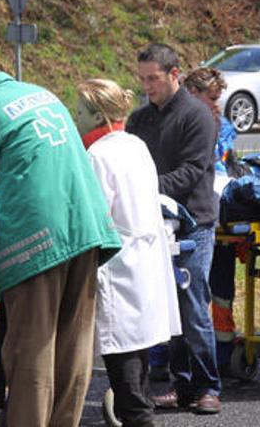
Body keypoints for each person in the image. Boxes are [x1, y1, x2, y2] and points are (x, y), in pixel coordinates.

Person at [0, 59, 121, 427]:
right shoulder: (44, 94)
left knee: (33, 347)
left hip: (39, 237)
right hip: (87, 226)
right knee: (73, 345)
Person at [76, 78, 182, 427]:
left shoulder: (97, 155)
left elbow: (95, 216)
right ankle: (136, 414)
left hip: (118, 264)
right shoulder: (135, 144)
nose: (75, 119)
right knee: (138, 353)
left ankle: (138, 418)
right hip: (145, 259)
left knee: (124, 361)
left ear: (95, 116)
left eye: (79, 112)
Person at [128, 44, 222, 414]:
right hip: (153, 223)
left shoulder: (198, 115)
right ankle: (181, 385)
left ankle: (207, 387)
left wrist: (142, 187)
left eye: (153, 78)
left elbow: (191, 171)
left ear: (174, 74)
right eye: (143, 79)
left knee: (193, 306)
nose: (147, 86)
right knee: (165, 311)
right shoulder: (139, 120)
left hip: (193, 223)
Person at [183, 67, 240, 376]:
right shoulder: (176, 122)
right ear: (193, 94)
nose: (217, 105)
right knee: (186, 289)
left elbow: (228, 164)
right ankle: (169, 357)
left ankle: (222, 350)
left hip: (217, 214)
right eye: (212, 98)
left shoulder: (223, 125)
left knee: (220, 288)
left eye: (220, 99)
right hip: (192, 217)